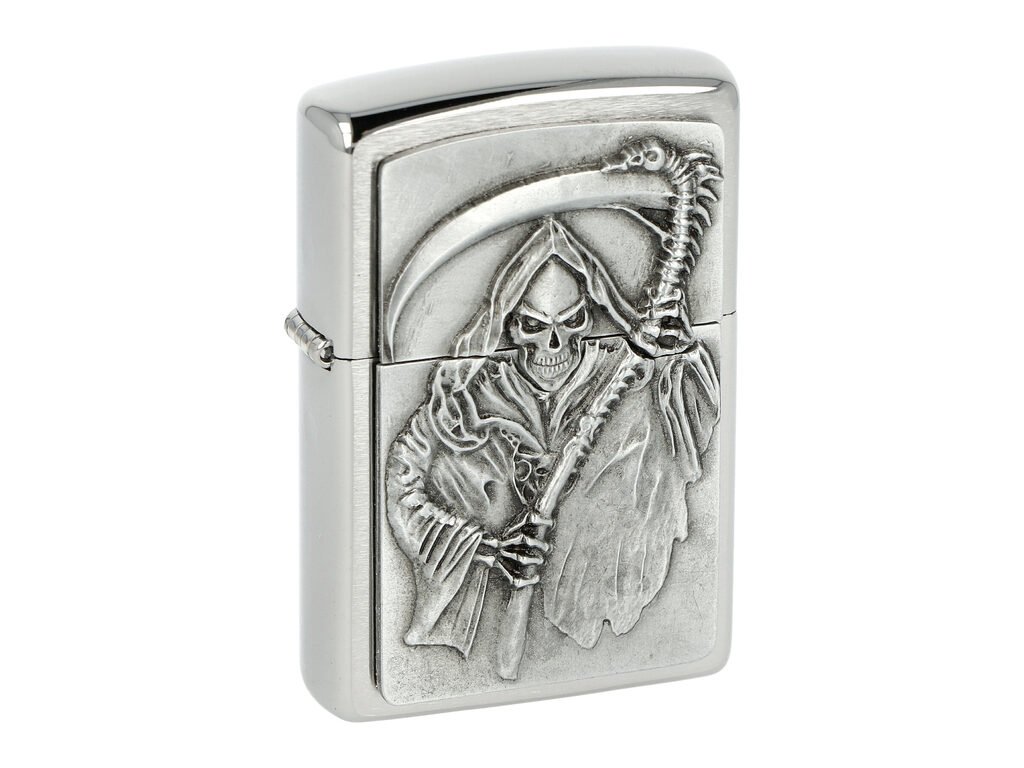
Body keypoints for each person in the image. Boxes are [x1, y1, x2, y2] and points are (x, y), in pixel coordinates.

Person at [385, 217, 719, 660]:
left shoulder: (624, 372)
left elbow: (694, 420)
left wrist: (684, 348)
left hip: (602, 620)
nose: (555, 344)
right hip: (489, 628)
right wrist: (487, 549)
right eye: (533, 326)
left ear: (590, 316)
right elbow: (400, 484)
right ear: (506, 324)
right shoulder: (465, 394)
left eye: (572, 321)